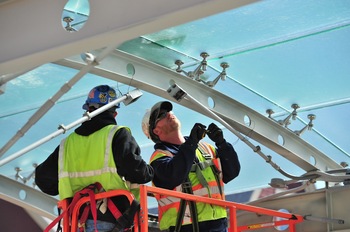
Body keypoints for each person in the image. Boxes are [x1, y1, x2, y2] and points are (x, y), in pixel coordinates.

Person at [35, 85, 154, 232]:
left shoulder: (67, 144)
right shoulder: (116, 135)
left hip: (77, 222)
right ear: (114, 113)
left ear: (88, 109)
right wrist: (150, 171)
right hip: (114, 220)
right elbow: (138, 173)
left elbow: (42, 179)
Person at [141, 101, 241, 232]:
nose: (168, 114)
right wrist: (192, 143)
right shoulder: (159, 157)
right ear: (156, 131)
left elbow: (231, 173)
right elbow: (173, 175)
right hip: (184, 226)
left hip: (217, 223)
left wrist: (221, 143)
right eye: (161, 115)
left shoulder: (205, 148)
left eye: (169, 111)